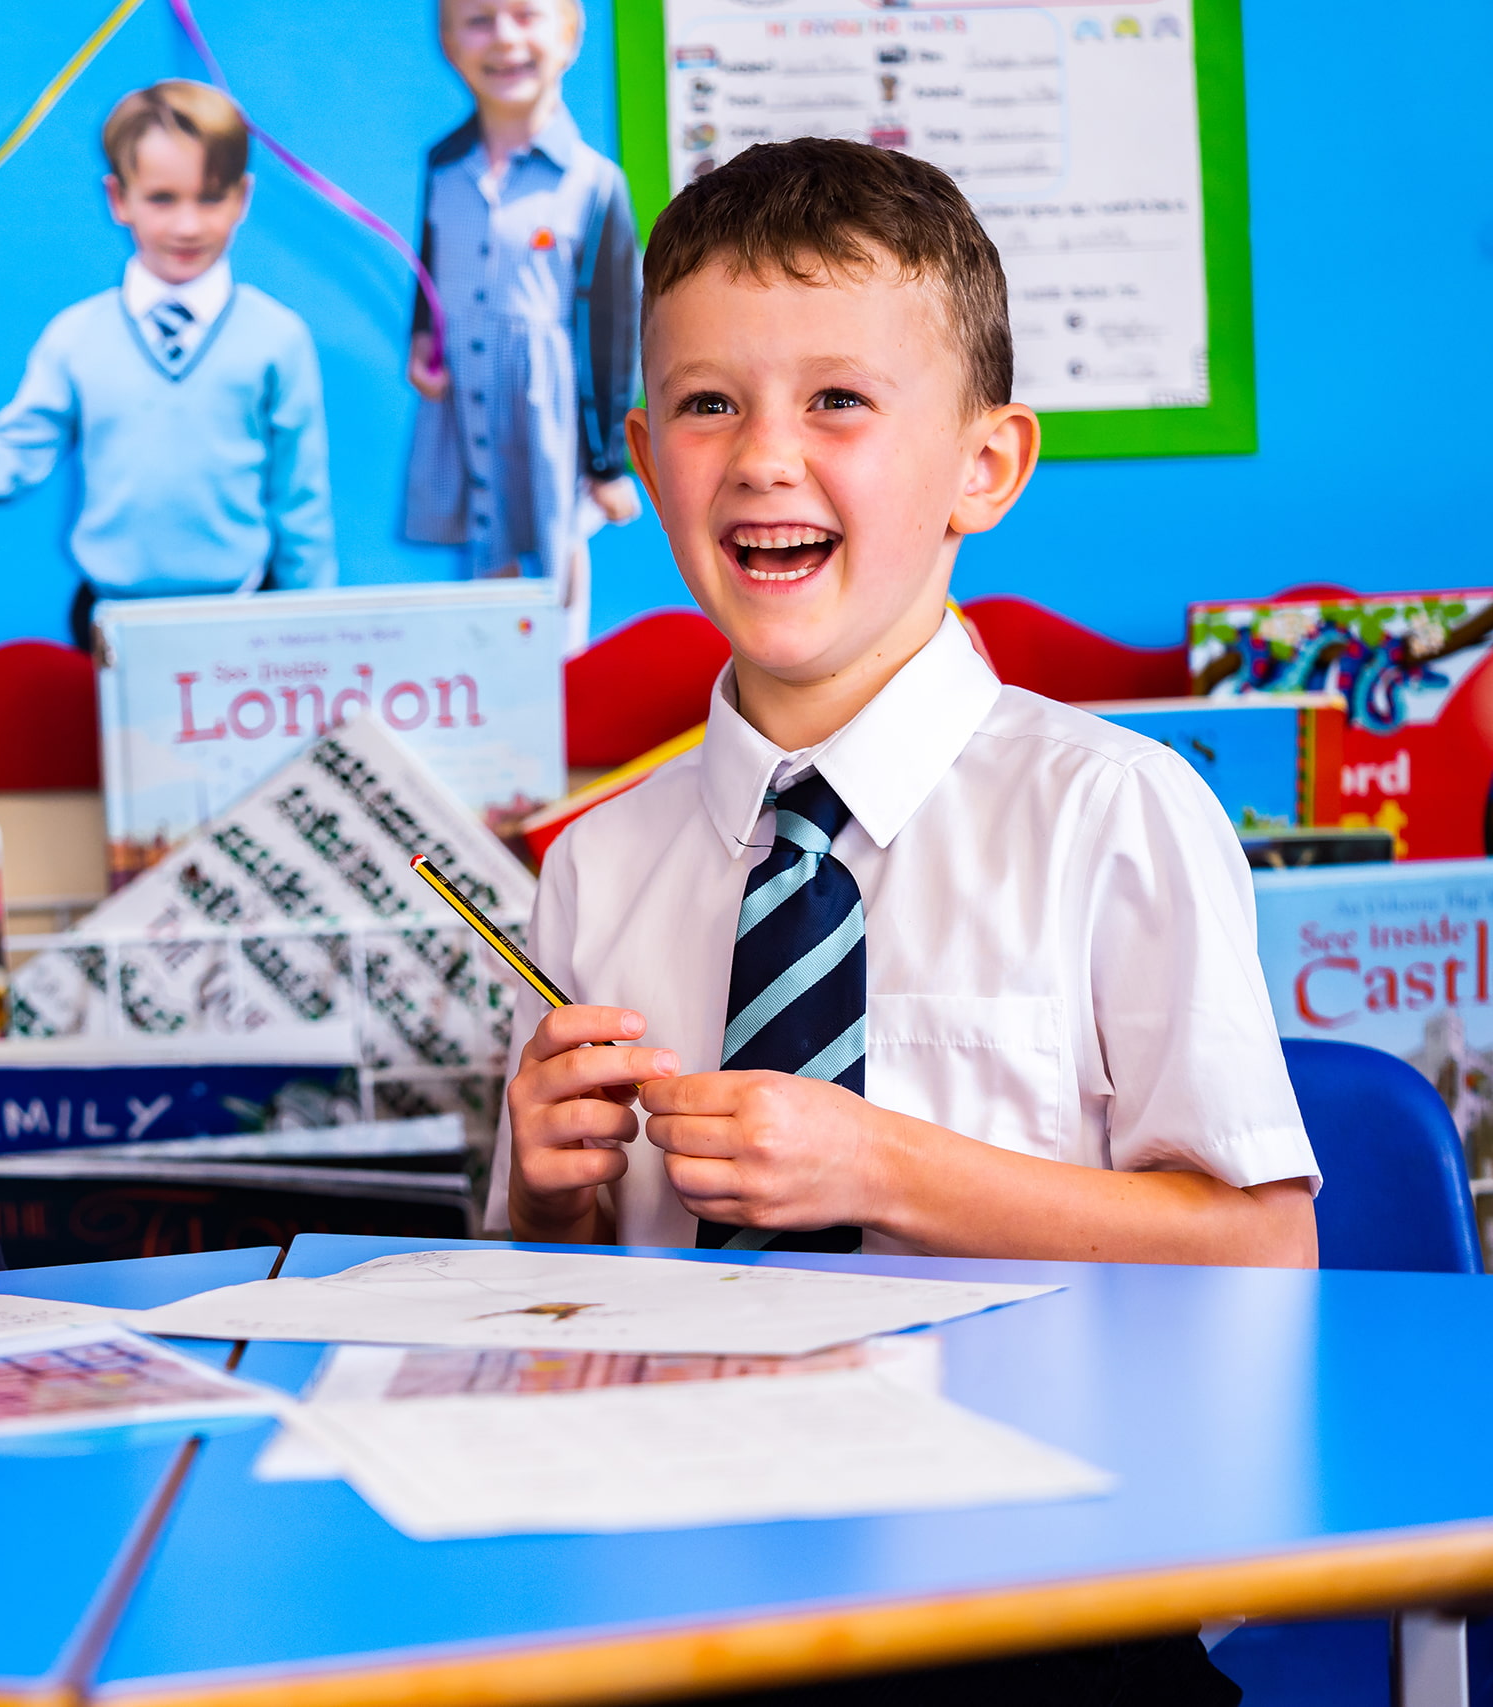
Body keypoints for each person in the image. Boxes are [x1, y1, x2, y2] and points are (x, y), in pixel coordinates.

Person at [494, 139, 1312, 1706]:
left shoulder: (1113, 813)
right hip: (674, 1587)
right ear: (642, 452)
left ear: (985, 470)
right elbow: (545, 1309)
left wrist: (879, 1165)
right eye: (708, 403)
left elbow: (1265, 1251)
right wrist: (548, 1194)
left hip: (1054, 1596)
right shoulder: (597, 866)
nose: (762, 459)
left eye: (839, 403)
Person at [0, 80, 333, 652]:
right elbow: (6, 463)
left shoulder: (277, 338)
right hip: (111, 630)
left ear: (242, 197)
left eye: (210, 197)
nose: (187, 225)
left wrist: (311, 639)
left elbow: (301, 506)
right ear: (119, 199)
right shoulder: (76, 338)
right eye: (163, 198)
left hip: (244, 622)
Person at [403, 0, 641, 654]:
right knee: (487, 528)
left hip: (549, 407)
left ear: (568, 36)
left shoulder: (595, 183)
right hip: (469, 392)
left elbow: (614, 326)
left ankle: (564, 671)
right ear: (449, 42)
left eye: (525, 15)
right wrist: (423, 338)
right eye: (478, 19)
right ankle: (491, 671)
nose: (504, 37)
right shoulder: (443, 166)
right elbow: (429, 262)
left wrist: (605, 459)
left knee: (555, 535)